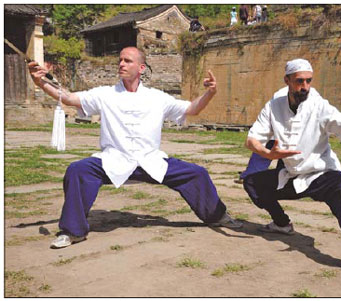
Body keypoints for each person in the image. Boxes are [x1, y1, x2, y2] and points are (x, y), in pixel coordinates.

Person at [28, 47, 242, 249]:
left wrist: (210, 93)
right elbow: (69, 98)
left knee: (197, 173)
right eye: (120, 60)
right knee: (78, 170)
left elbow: (192, 109)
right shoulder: (105, 94)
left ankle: (217, 216)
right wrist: (42, 84)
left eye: (127, 60)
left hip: (151, 161)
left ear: (141, 68)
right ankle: (73, 231)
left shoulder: (157, 97)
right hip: (113, 160)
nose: (121, 64)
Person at [243, 58, 341, 290]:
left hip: (321, 174)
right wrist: (268, 154)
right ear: (287, 80)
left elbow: (336, 119)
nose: (305, 86)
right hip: (291, 175)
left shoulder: (318, 104)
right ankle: (282, 224)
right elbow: (252, 139)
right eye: (300, 81)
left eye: (309, 81)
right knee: (252, 182)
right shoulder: (273, 105)